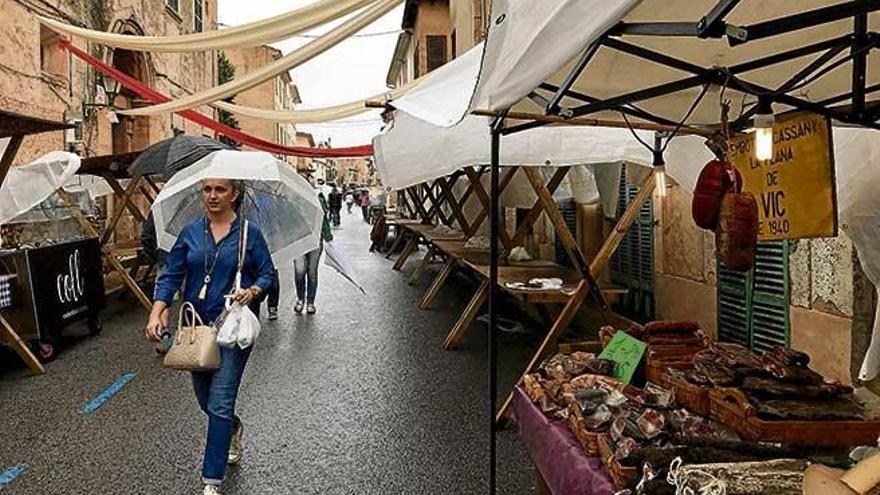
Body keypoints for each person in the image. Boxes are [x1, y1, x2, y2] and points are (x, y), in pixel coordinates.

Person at [145, 178, 276, 495]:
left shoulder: (249, 234)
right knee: (205, 398)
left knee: (219, 402)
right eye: (207, 189)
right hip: (196, 328)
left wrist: (254, 290)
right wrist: (157, 310)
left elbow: (267, 273)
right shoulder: (190, 232)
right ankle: (232, 427)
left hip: (231, 328)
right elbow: (172, 274)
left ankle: (211, 481)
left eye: (220, 189)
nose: (213, 196)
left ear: (234, 194)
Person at [294, 192, 333, 315]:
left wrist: (328, 236)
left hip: (315, 241)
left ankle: (310, 302)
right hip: (298, 241)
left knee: (312, 272)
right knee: (299, 271)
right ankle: (300, 299)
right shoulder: (293, 201)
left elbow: (324, 219)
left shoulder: (318, 201)